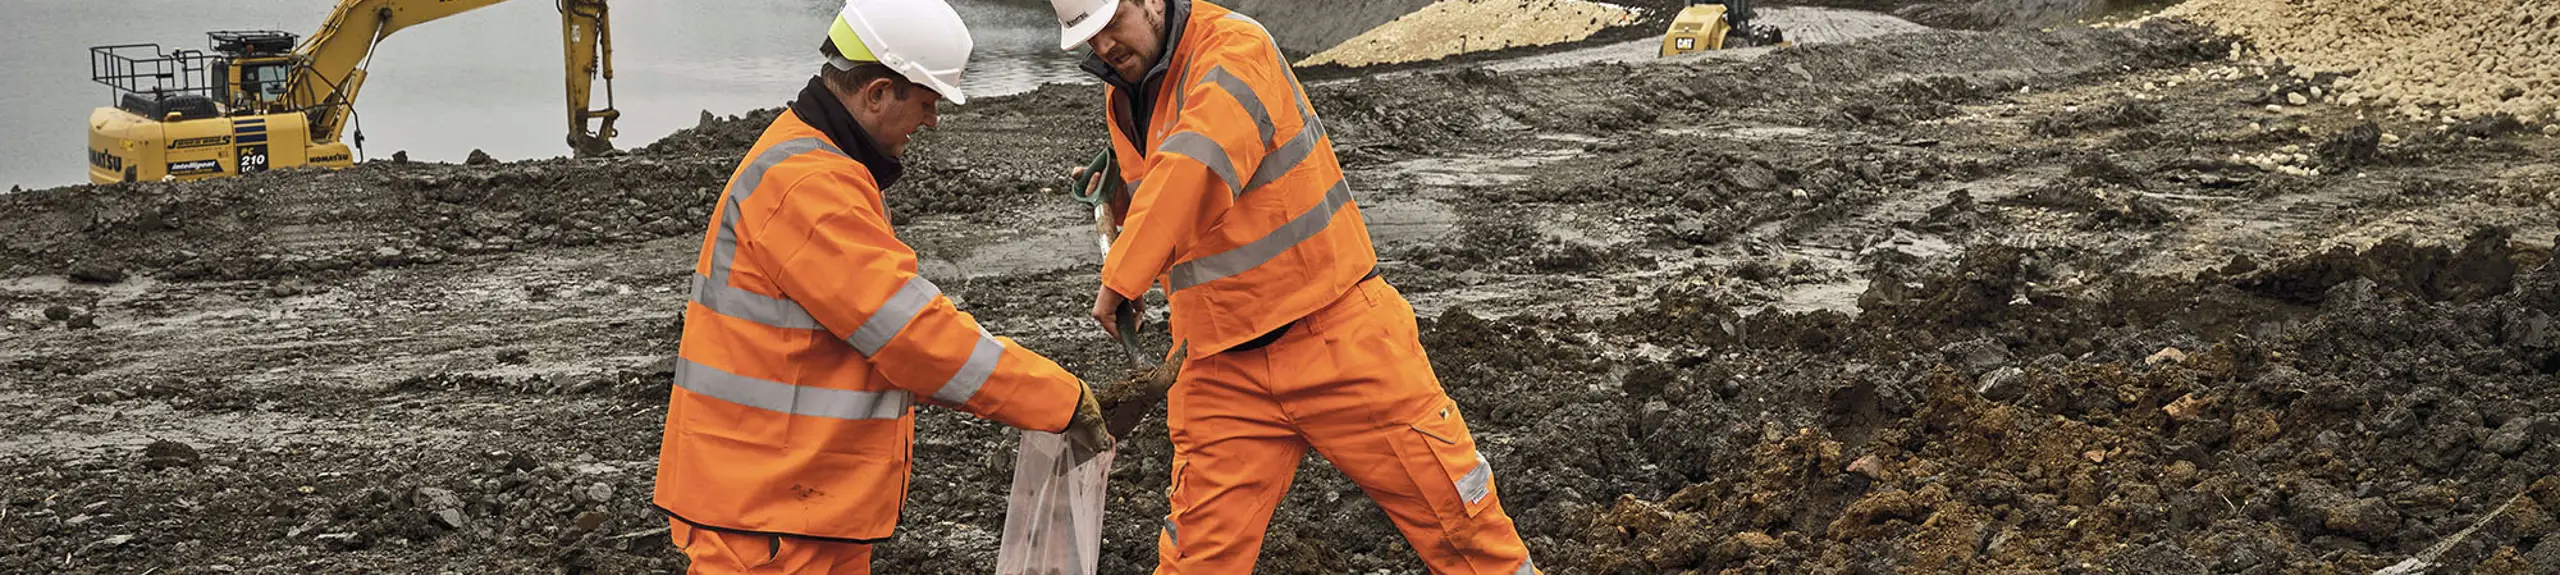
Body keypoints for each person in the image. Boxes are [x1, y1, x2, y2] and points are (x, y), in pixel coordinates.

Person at [1050, 0, 1542, 572]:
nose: (1104, 46)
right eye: (1089, 36)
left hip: (1335, 335)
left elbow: (1199, 164)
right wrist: (1120, 200)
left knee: (1465, 532)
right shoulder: (1124, 98)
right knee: (1195, 562)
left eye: (1113, 24)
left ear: (1152, 2)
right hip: (1218, 366)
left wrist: (1122, 274)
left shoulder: (1236, 48)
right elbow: (1177, 205)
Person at [653, 1, 1112, 572]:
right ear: (875, 94)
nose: (932, 122)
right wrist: (1057, 398)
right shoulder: (810, 187)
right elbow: (914, 336)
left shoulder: (812, 160)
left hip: (787, 501)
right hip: (766, 518)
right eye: (926, 102)